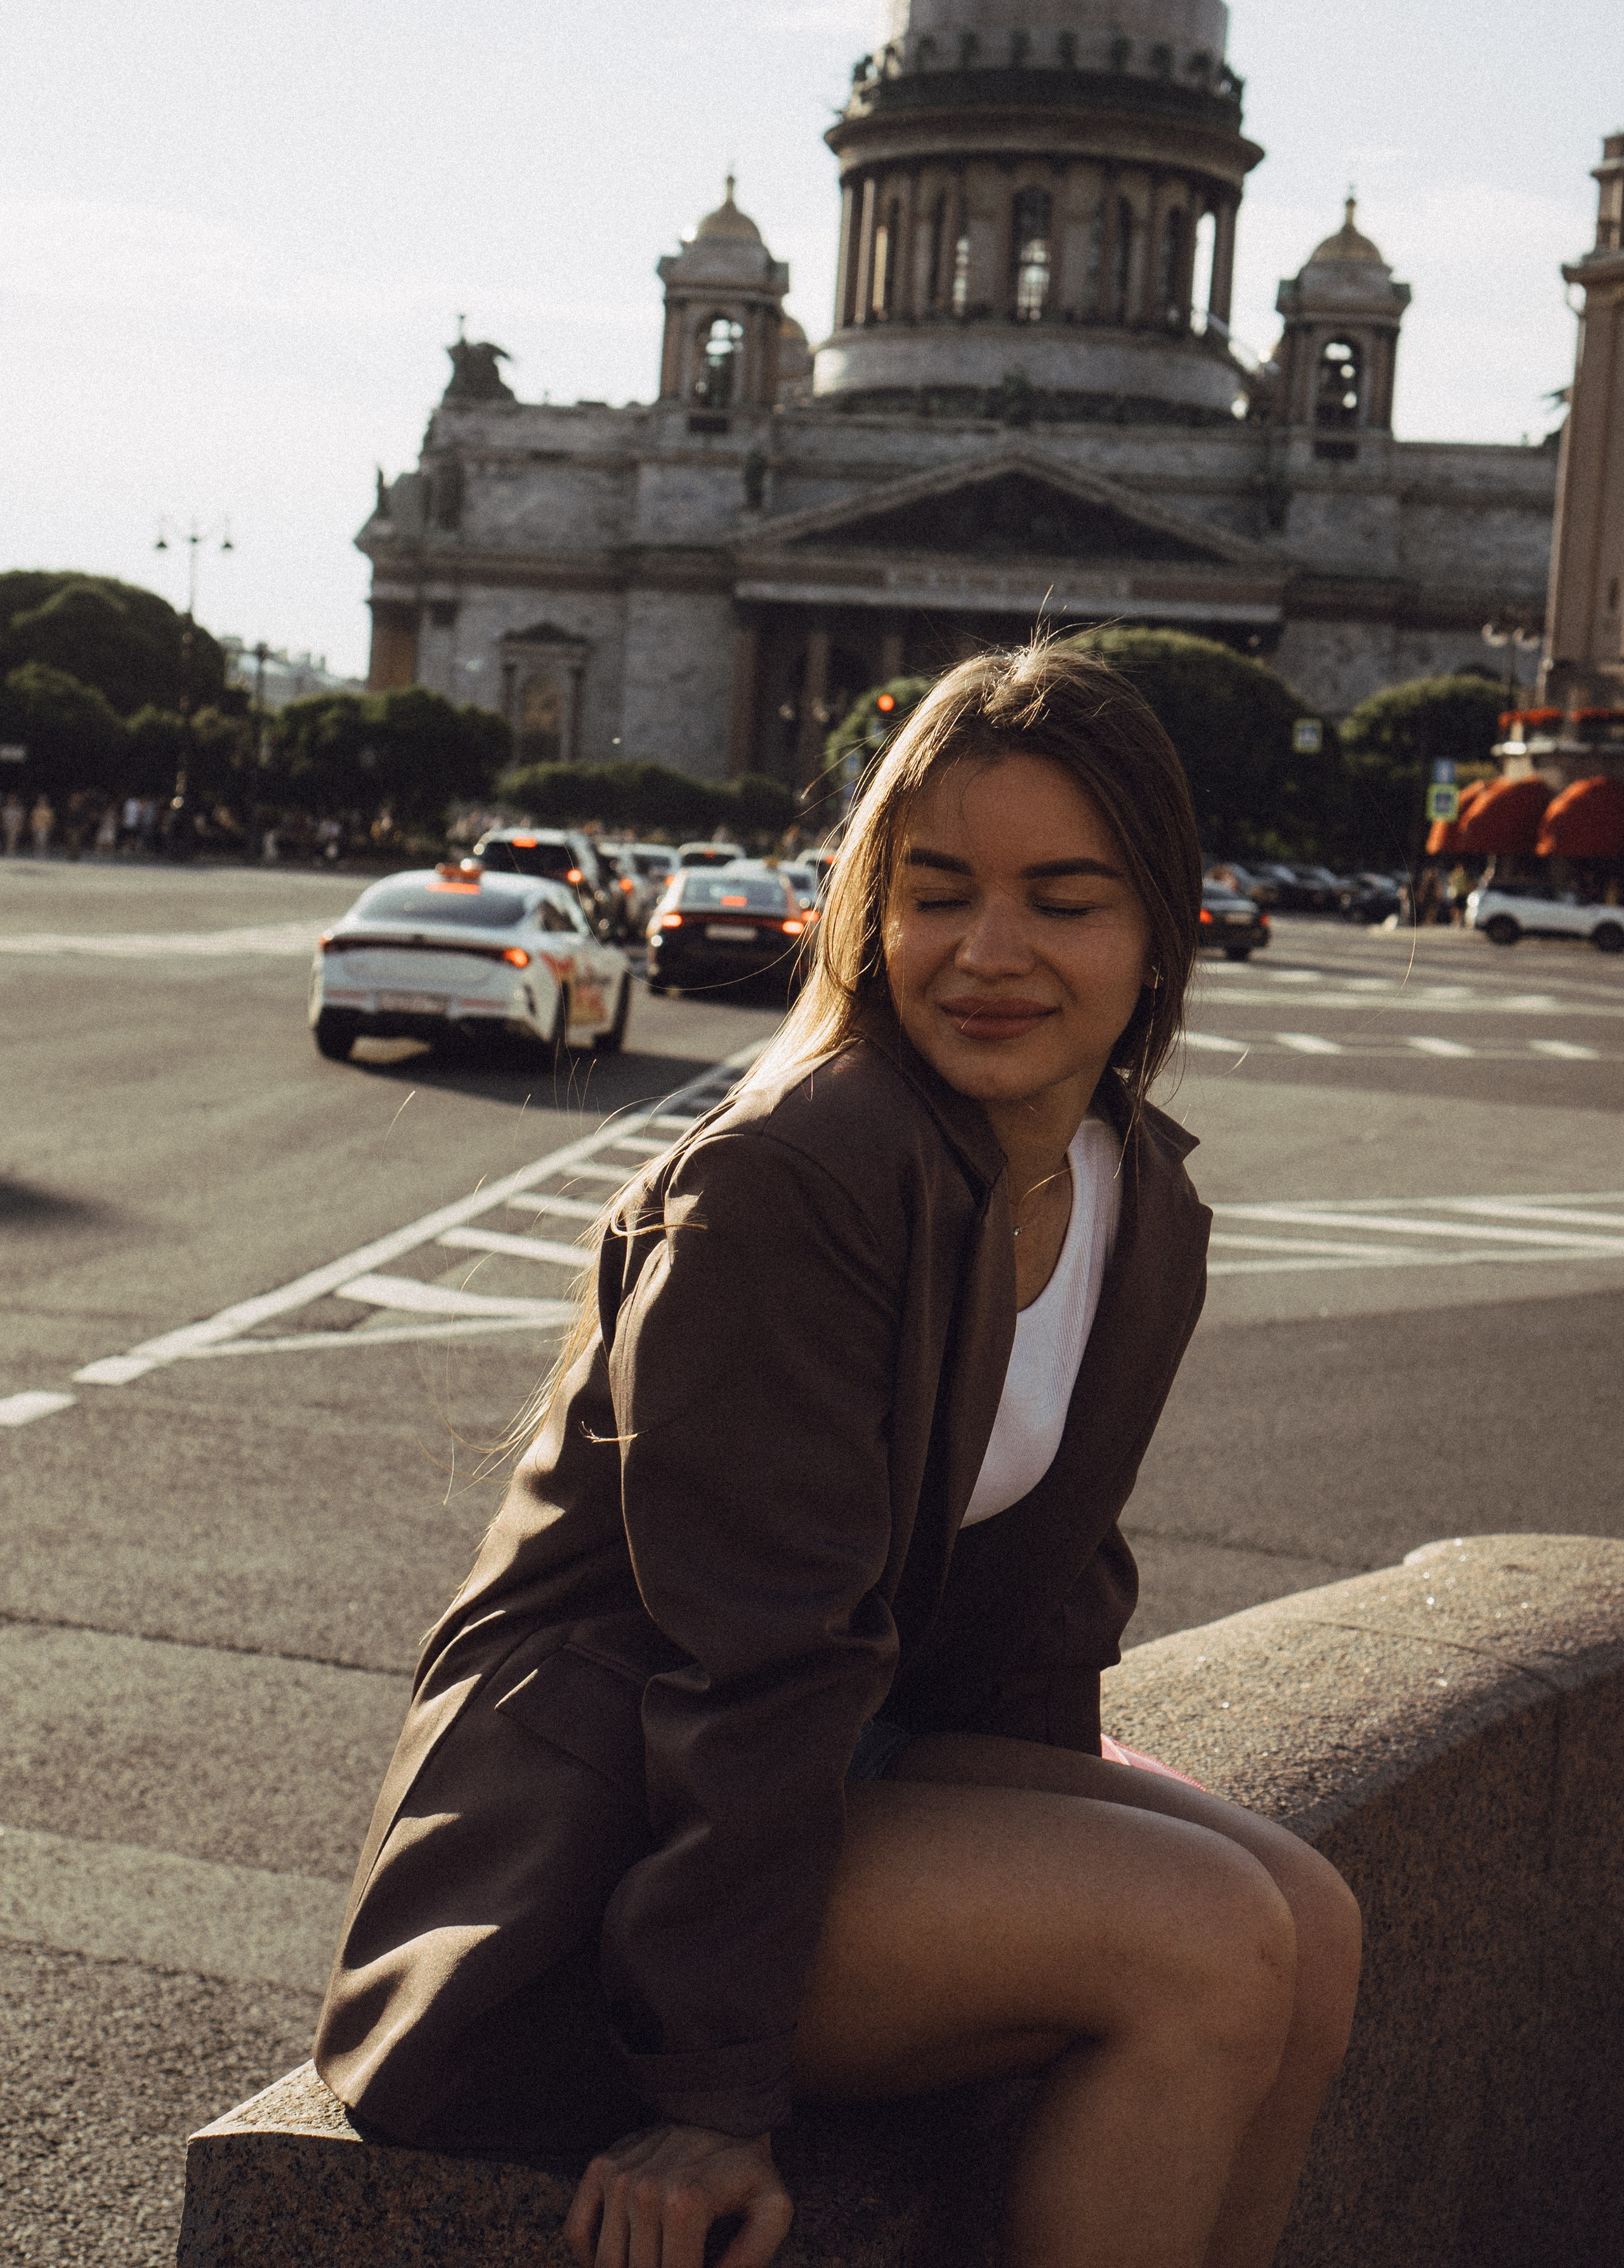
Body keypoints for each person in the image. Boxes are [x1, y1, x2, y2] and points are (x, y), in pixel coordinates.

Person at [316, 640, 1361, 2268]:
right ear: (868, 909)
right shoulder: (797, 1176)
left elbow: (1043, 1617)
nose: (985, 953)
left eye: (1062, 900)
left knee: (1311, 1920)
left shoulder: (1131, 1195)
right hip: (594, 1865)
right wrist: (711, 2098)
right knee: (1204, 1942)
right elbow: (752, 1659)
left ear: (1162, 929)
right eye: (933, 891)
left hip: (825, 1782)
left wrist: (1046, 1867)